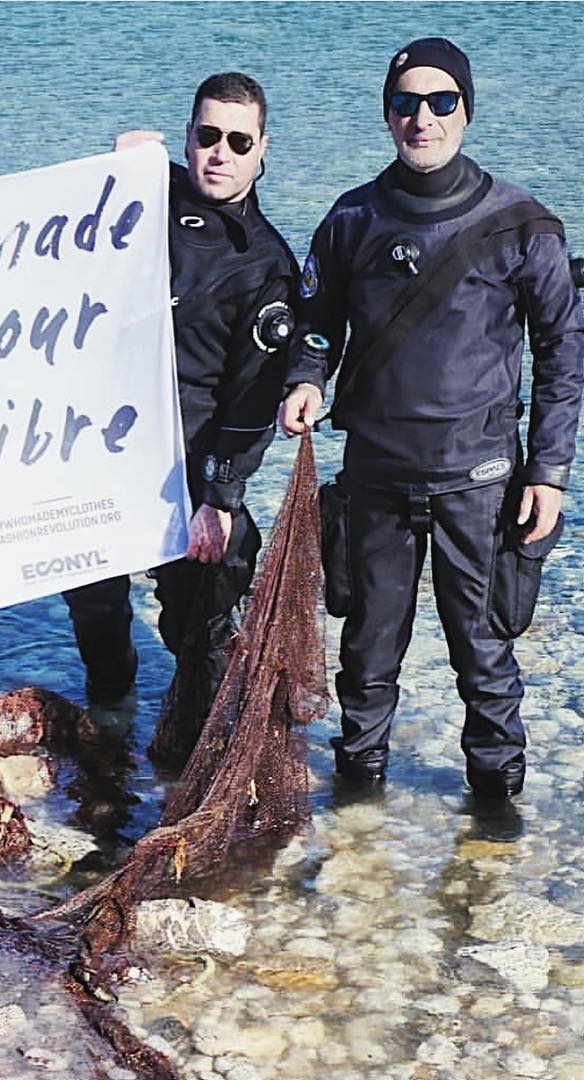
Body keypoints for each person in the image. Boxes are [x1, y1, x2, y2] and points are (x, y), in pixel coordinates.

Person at [279, 38, 584, 798]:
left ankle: (495, 818)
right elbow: (318, 323)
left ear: (466, 111)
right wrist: (308, 378)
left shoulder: (524, 225)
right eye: (406, 102)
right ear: (387, 115)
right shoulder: (352, 217)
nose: (423, 117)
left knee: (484, 660)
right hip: (375, 480)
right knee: (367, 658)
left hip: (478, 481)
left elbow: (562, 356)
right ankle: (357, 811)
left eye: (441, 101)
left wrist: (548, 471)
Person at [62, 73, 298, 751]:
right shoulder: (147, 194)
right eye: (206, 137)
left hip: (190, 468)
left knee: (195, 623)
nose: (219, 154)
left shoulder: (265, 265)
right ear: (189, 137)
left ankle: (195, 742)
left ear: (262, 149)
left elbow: (253, 399)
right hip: (103, 451)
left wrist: (220, 497)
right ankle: (110, 721)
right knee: (94, 604)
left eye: (237, 141)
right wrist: (113, 173)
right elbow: (53, 244)